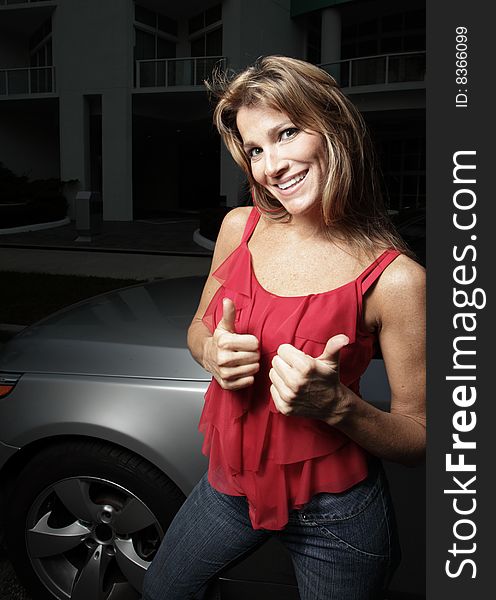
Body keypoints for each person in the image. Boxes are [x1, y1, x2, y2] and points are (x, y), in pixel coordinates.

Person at [142, 55, 425, 600]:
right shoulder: (239, 228)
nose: (271, 165)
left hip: (336, 515)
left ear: (332, 127)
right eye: (254, 149)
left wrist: (339, 406)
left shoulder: (398, 280)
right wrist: (212, 354)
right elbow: (200, 330)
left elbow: (420, 438)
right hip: (229, 487)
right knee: (162, 592)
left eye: (287, 133)